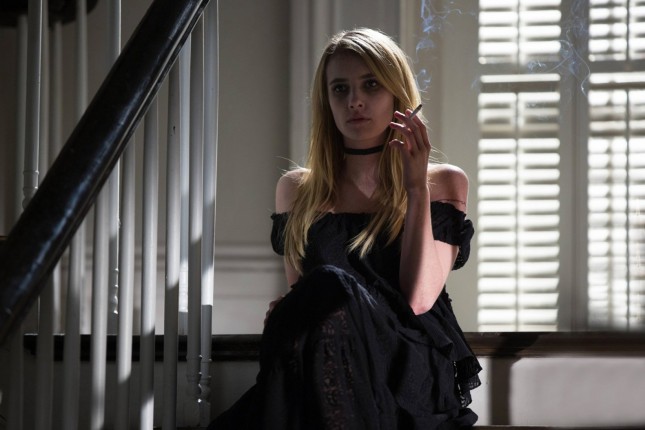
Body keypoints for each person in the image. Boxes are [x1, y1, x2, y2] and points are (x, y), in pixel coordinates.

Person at [210, 27, 481, 429]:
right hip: (330, 364)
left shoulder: (443, 182)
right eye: (340, 89)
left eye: (371, 85)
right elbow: (303, 301)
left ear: (396, 94)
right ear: (327, 102)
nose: (354, 100)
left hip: (406, 365)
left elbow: (419, 299)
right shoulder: (296, 190)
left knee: (328, 284)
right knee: (319, 300)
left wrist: (415, 189)